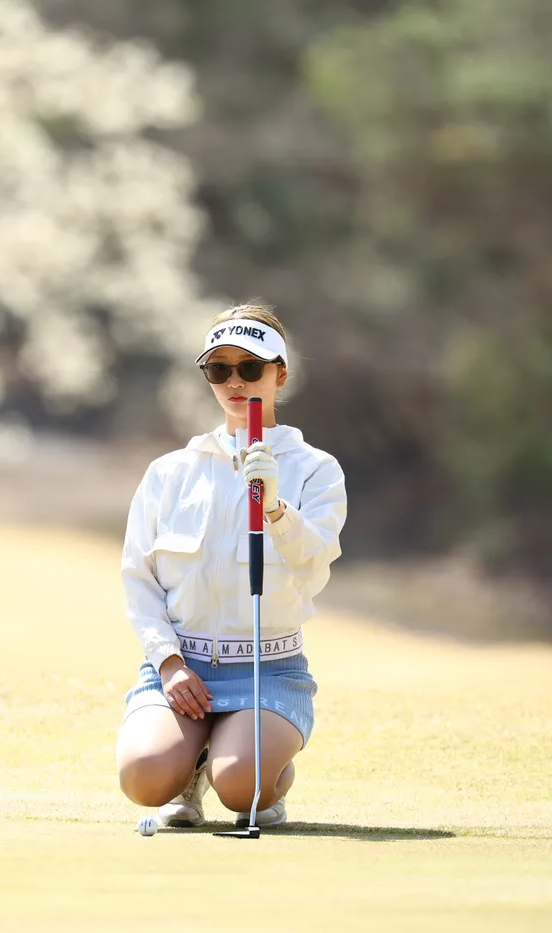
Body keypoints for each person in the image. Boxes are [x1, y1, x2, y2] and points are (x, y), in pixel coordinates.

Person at [115, 303, 347, 828]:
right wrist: (167, 662)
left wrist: (275, 507)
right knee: (143, 778)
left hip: (268, 668)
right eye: (219, 369)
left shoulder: (316, 469)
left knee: (244, 789)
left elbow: (314, 561)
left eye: (250, 367)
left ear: (280, 374)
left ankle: (258, 772)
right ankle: (192, 766)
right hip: (183, 668)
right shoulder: (171, 472)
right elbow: (138, 577)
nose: (234, 382)